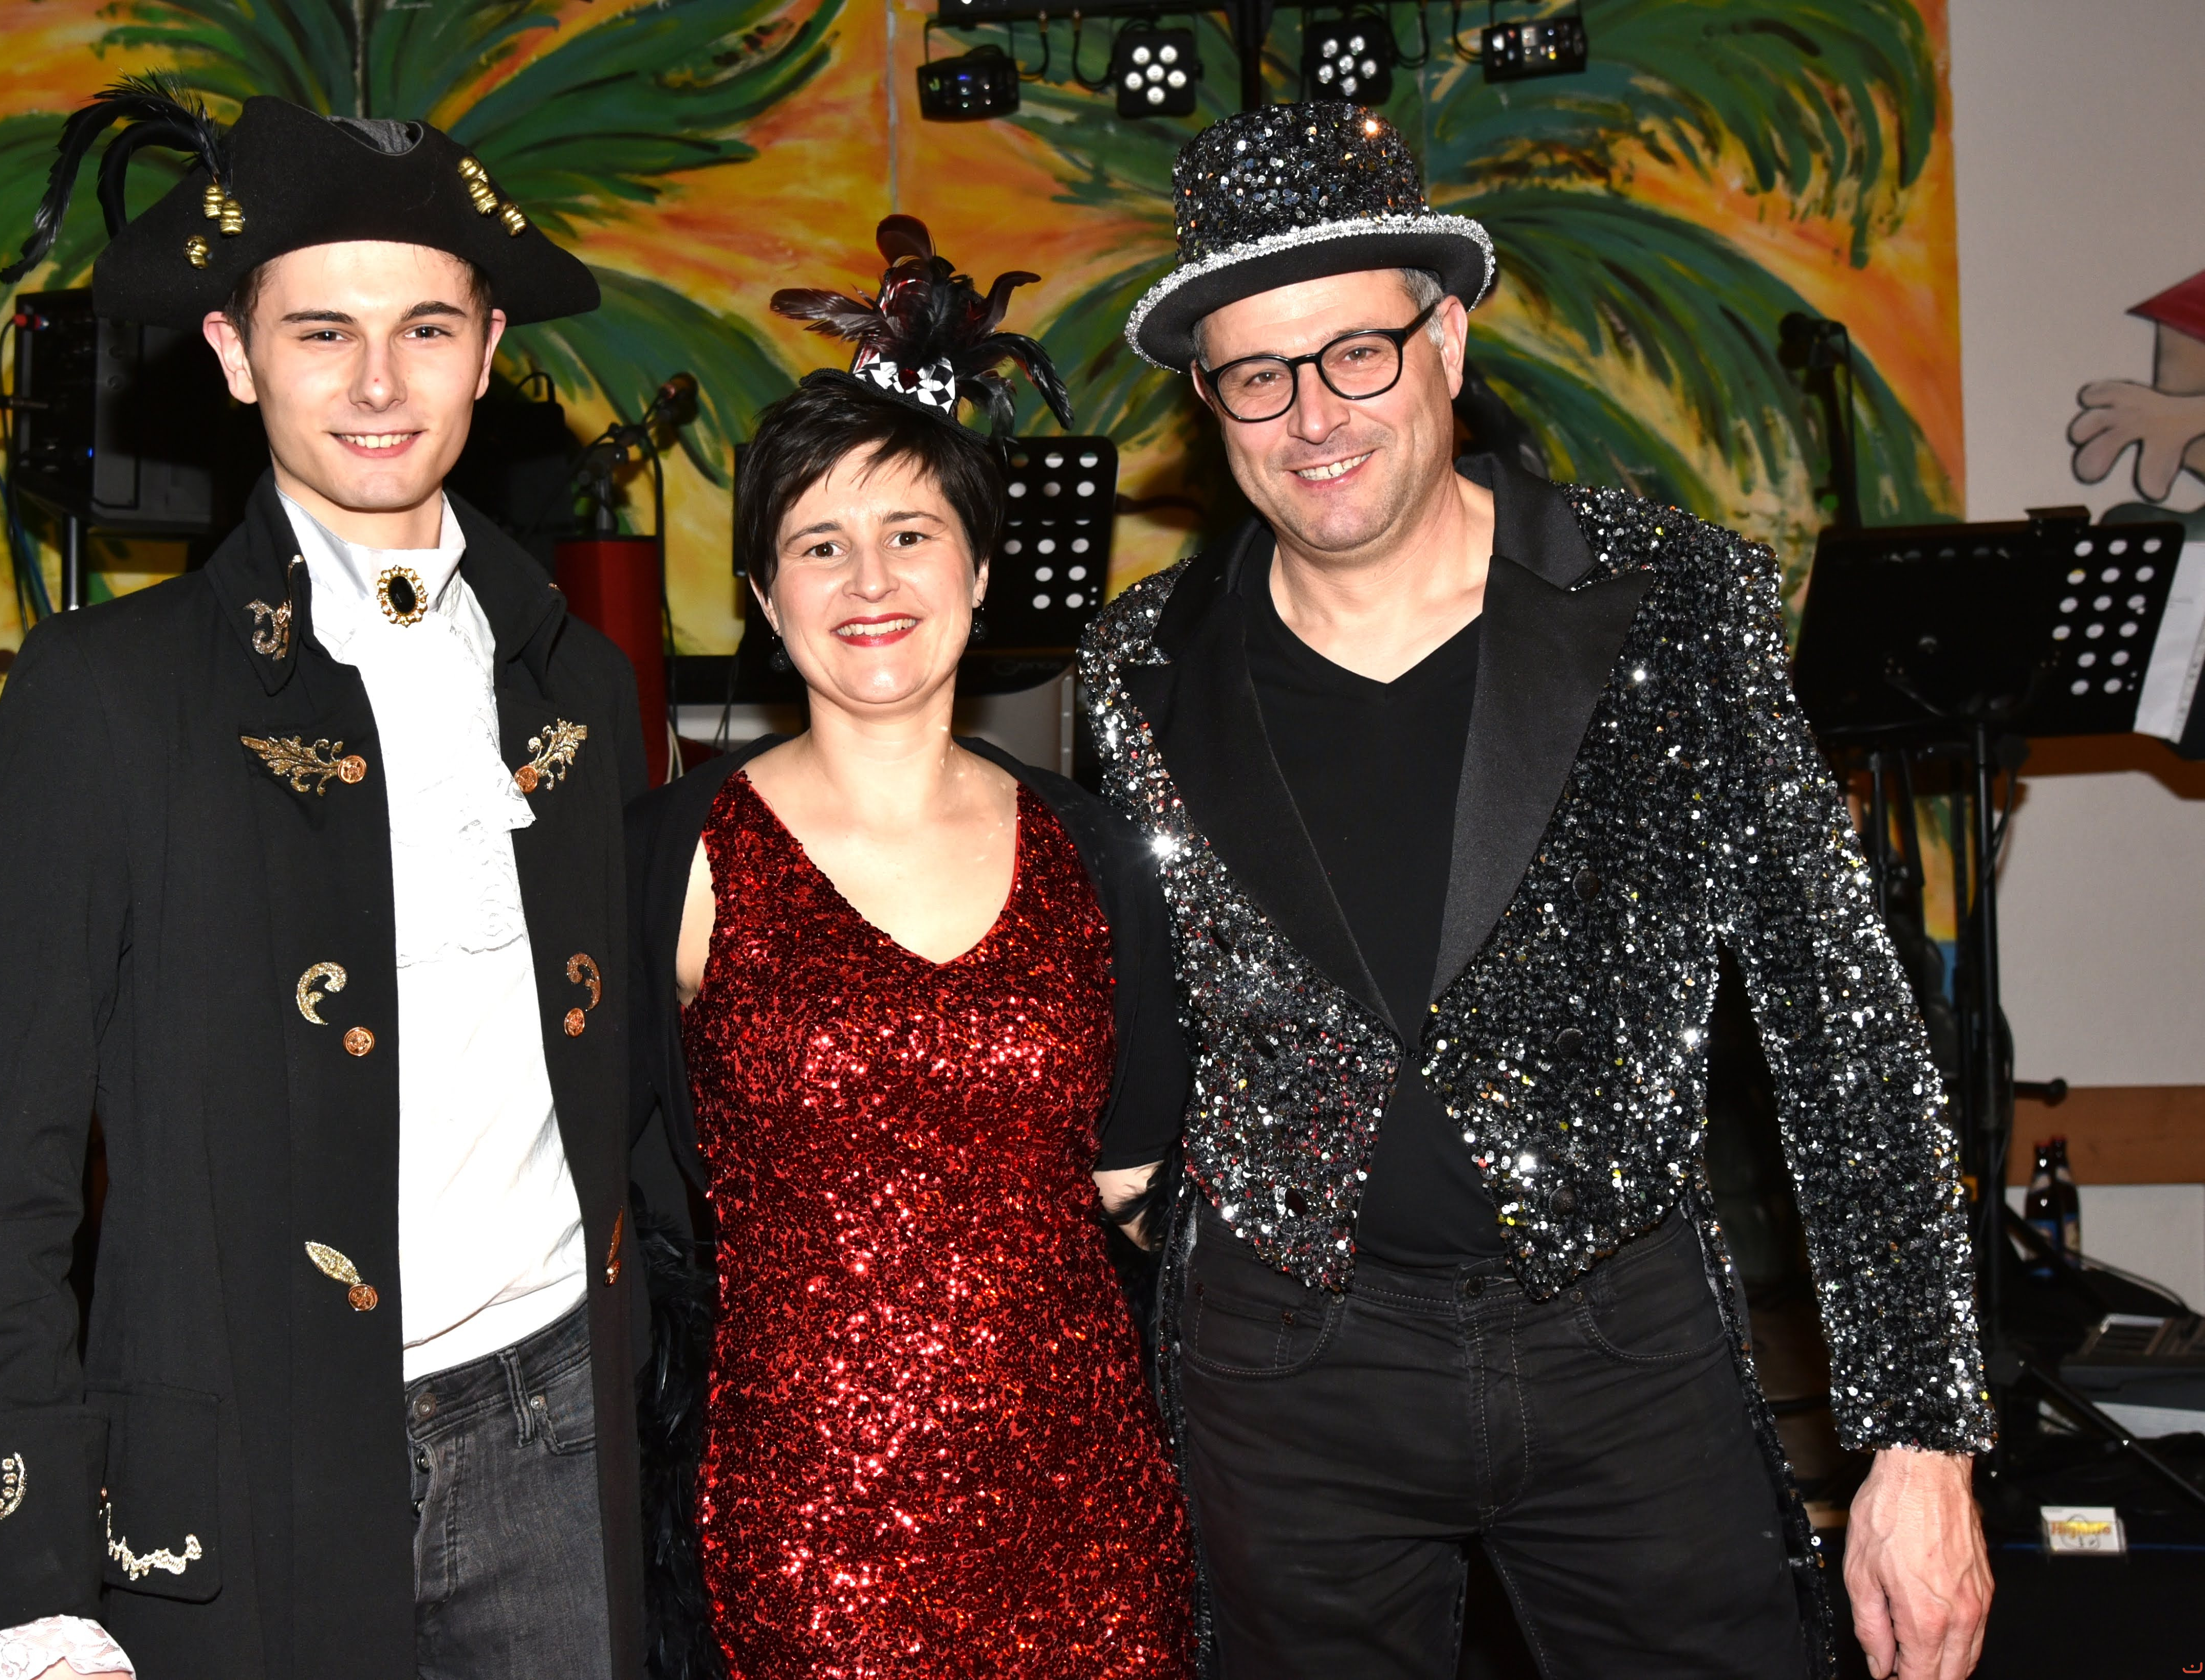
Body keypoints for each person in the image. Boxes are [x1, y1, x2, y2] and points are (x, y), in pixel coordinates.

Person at [1077, 104, 1994, 1680]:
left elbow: (1844, 1024)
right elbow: (1141, 1001)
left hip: (1625, 1347)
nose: (1313, 415)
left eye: (1356, 352)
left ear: (1446, 339)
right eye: (1257, 374)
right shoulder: (1139, 661)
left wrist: (1919, 1435)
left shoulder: (1668, 599)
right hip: (1285, 1371)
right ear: (1208, 400)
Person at [0, 82, 650, 1680]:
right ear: (233, 354)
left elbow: (638, 1092)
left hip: (562, 1428)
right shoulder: (106, 696)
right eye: (321, 332)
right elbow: (5, 1167)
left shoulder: (584, 685)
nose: (379, 383)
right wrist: (12, 1579)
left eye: (427, 329)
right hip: (251, 1460)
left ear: (490, 353)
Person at [624, 218, 1196, 1679]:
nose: (868, 579)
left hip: (1090, 1519)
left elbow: (1141, 1188)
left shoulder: (1095, 851)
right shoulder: (673, 855)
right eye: (819, 544)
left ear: (982, 569)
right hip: (807, 1535)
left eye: (911, 535)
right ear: (767, 599)